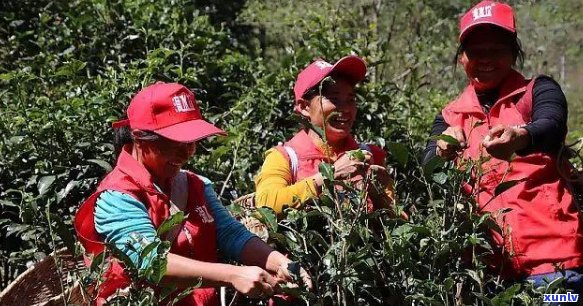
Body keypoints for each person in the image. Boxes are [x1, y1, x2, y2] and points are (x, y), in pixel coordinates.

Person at [74, 82, 311, 305]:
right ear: (140, 140)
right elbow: (152, 262)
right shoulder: (117, 198)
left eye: (191, 142)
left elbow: (230, 234)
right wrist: (232, 274)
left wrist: (280, 261)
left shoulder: (193, 185)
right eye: (174, 142)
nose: (186, 152)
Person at [422, 0, 583, 291]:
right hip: (489, 275)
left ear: (513, 53)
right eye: (476, 52)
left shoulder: (537, 91)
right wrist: (443, 149)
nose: (486, 59)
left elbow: (552, 126)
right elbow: (427, 164)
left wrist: (519, 137)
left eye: (496, 50)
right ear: (462, 58)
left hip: (556, 267)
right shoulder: (450, 115)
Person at [254, 55, 399, 217]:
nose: (345, 109)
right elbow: (266, 205)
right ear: (304, 107)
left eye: (350, 99)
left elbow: (397, 225)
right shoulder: (284, 158)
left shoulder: (370, 155)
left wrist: (380, 197)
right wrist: (330, 175)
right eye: (334, 99)